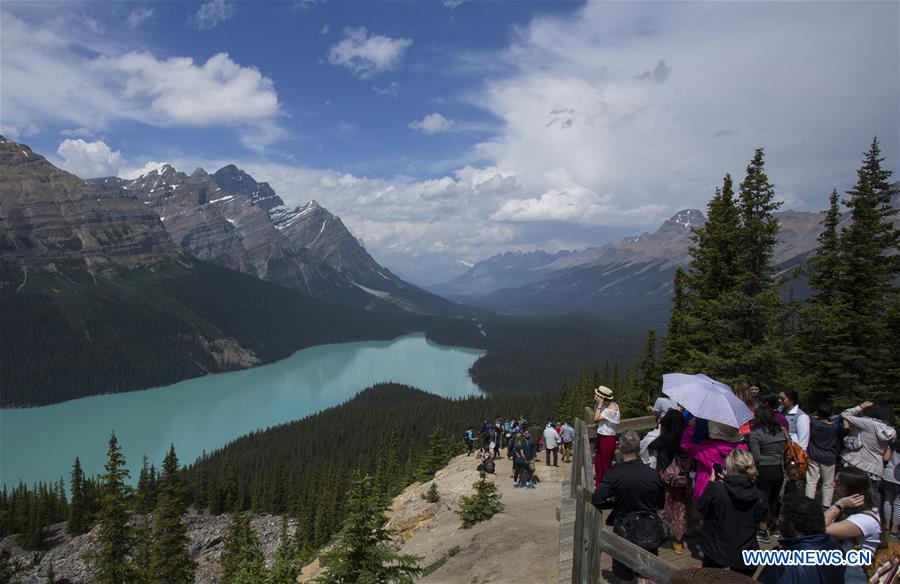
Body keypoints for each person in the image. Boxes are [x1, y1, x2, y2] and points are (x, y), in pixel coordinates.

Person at [592, 430, 665, 583]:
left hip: (624, 528)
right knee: (647, 573)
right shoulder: (653, 474)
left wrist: (612, 504)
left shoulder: (615, 474)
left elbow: (597, 499)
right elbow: (660, 503)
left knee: (624, 575)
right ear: (638, 448)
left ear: (620, 447)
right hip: (649, 529)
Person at [697, 449, 768, 577]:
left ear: (729, 467)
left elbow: (701, 508)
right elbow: (761, 518)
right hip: (746, 553)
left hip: (717, 550)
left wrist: (711, 485)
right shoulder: (760, 495)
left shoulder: (717, 490)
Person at [758, 493, 845, 584]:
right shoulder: (834, 545)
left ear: (792, 524)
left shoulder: (788, 562)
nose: (779, 520)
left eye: (781, 516)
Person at [825, 467, 883, 584]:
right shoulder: (853, 511)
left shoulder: (864, 520)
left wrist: (839, 505)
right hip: (841, 569)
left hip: (852, 575)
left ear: (851, 489)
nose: (833, 485)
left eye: (838, 483)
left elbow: (820, 528)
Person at [648, 409, 690, 555]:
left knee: (663, 506)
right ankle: (678, 542)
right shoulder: (686, 438)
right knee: (679, 508)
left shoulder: (665, 438)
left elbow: (649, 446)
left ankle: (660, 534)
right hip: (681, 479)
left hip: (665, 478)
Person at [681, 420, 748, 502]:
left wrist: (691, 428)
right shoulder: (743, 449)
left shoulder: (707, 448)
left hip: (707, 490)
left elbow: (685, 445)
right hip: (735, 490)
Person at [748, 407, 787, 543]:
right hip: (779, 468)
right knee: (775, 498)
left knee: (762, 498)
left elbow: (756, 457)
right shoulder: (781, 432)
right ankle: (775, 526)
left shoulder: (755, 434)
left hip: (763, 469)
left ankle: (762, 529)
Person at [840, 401, 896, 485]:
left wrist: (861, 406)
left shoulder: (869, 423)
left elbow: (845, 414)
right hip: (875, 468)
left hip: (857, 463)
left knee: (850, 493)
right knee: (865, 495)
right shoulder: (891, 431)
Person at [805, 402, 841, 508]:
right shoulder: (835, 426)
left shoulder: (814, 423)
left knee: (811, 481)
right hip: (829, 457)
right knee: (828, 483)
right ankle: (826, 505)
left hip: (814, 455)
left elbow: (810, 417)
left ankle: (809, 503)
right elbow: (840, 416)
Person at [593, 385, 620, 489]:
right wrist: (599, 404)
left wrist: (599, 404)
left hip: (608, 438)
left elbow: (596, 418)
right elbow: (597, 412)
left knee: (606, 464)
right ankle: (599, 485)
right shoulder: (606, 404)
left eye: (598, 396)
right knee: (598, 461)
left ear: (602, 397)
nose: (596, 396)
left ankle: (607, 487)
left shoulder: (612, 408)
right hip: (601, 437)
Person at [880, 434, 900, 539]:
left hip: (888, 474)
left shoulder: (893, 443)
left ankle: (887, 525)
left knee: (888, 500)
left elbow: (886, 457)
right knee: (898, 504)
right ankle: (894, 529)